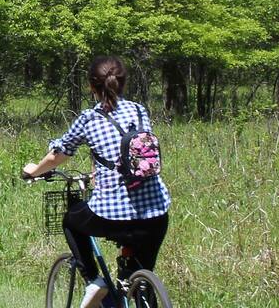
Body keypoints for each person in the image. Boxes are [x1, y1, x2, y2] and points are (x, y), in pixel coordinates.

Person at [21, 56, 170, 308]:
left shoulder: (89, 118)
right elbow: (132, 152)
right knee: (139, 281)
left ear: (92, 86)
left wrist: (34, 171)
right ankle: (137, 291)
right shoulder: (139, 110)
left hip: (113, 214)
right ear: (122, 83)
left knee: (71, 220)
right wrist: (97, 171)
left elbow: (59, 155)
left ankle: (93, 280)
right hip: (156, 211)